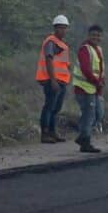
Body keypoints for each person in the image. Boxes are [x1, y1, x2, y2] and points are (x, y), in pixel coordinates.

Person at [35, 15, 71, 144]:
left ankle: (52, 133)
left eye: (64, 28)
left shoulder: (62, 44)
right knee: (49, 107)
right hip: (52, 81)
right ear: (55, 28)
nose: (63, 30)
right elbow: (49, 60)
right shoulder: (51, 42)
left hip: (61, 81)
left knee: (56, 108)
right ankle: (45, 134)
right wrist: (53, 80)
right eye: (60, 28)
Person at [73, 25, 105, 154]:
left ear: (101, 37)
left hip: (94, 89)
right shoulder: (85, 49)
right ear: (88, 35)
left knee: (98, 113)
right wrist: (97, 82)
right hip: (84, 89)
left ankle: (82, 136)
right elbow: (86, 70)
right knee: (89, 115)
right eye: (93, 35)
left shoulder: (98, 49)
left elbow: (100, 69)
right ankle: (85, 141)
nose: (95, 37)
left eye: (98, 35)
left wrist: (101, 84)